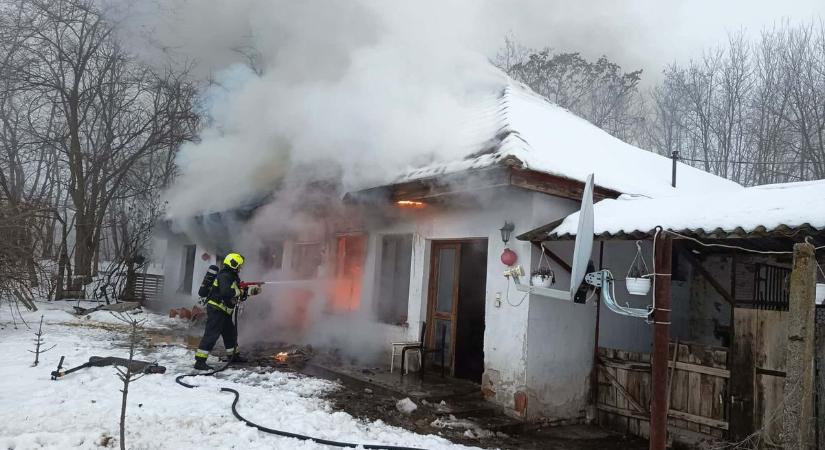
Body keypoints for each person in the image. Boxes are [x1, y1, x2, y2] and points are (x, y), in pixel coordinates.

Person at [194, 252, 261, 370]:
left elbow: (235, 293)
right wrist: (241, 291)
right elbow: (226, 292)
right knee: (211, 335)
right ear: (233, 264)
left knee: (230, 334)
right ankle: (200, 361)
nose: (240, 268)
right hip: (217, 309)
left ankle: (233, 356)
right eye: (239, 265)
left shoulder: (231, 276)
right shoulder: (225, 276)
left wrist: (248, 291)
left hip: (224, 311)